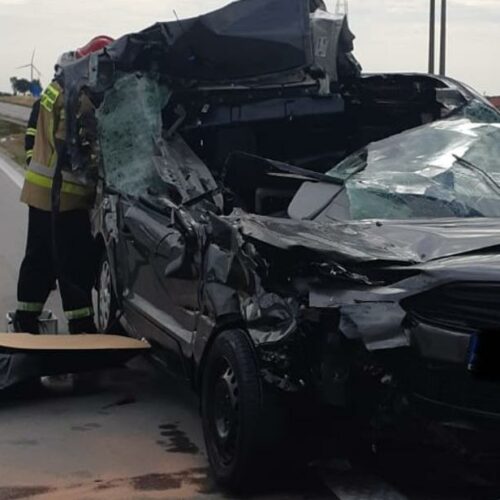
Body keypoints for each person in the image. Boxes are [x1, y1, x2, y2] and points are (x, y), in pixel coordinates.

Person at [14, 36, 114, 335]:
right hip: (65, 196)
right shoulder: (78, 95)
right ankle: (81, 325)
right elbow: (76, 149)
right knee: (73, 262)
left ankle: (25, 319)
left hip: (40, 192)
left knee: (39, 258)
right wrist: (100, 169)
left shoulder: (55, 87)